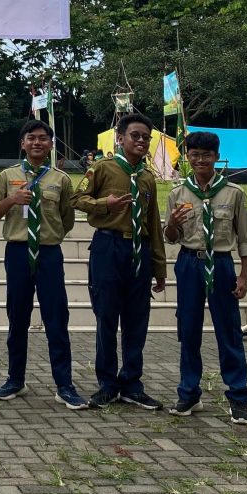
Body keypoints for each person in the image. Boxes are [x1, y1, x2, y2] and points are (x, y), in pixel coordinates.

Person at [0, 120, 87, 409]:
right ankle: (15, 379)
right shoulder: (8, 176)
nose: (38, 143)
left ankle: (64, 385)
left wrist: (48, 237)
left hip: (48, 254)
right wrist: (12, 200)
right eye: (32, 138)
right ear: (23, 143)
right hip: (17, 252)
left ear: (51, 145)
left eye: (43, 139)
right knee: (18, 317)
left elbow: (66, 219)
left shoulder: (60, 179)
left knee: (57, 318)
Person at [71, 113, 166, 410]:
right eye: (135, 135)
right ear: (120, 138)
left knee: (137, 321)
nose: (140, 141)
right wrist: (104, 204)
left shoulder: (148, 178)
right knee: (107, 318)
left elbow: (154, 225)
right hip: (108, 248)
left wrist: (159, 267)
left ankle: (132, 383)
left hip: (139, 251)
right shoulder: (103, 168)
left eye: (145, 137)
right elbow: (76, 200)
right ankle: (107, 384)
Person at [164, 131, 247, 424]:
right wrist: (172, 225)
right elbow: (171, 238)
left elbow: (245, 239)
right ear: (188, 157)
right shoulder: (178, 193)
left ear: (216, 157)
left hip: (223, 264)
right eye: (194, 154)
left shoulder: (233, 193)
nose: (200, 160)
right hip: (190, 263)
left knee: (228, 331)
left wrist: (244, 276)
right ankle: (189, 393)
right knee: (188, 329)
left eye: (206, 155)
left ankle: (238, 397)